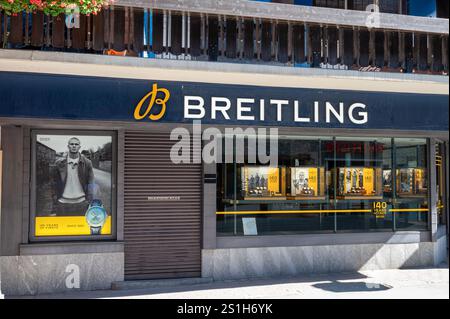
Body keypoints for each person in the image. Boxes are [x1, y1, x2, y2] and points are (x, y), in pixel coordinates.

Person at [52, 137, 95, 216]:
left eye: (76, 144)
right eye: (71, 144)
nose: (74, 146)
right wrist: (55, 204)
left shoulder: (87, 163)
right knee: (63, 227)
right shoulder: (59, 163)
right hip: (62, 203)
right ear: (68, 146)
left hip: (81, 203)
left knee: (81, 227)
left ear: (79, 147)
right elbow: (54, 184)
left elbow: (91, 183)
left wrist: (89, 201)